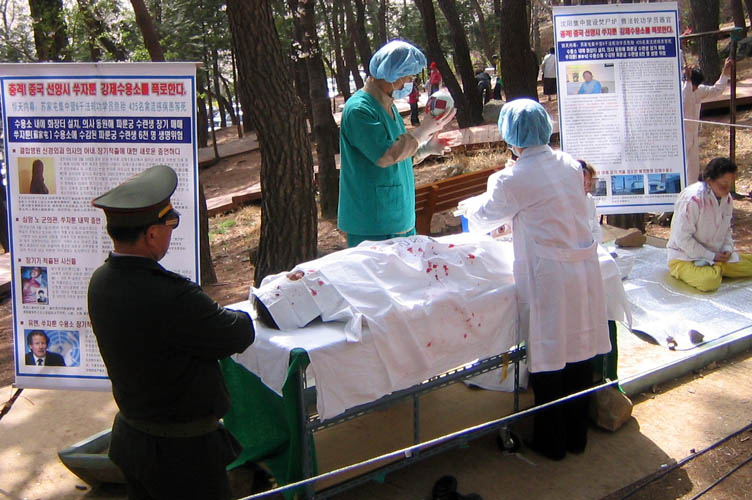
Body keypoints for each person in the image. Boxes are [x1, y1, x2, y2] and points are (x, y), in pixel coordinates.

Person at [87, 165, 255, 500]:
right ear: (151, 234)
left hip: (134, 440)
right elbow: (237, 334)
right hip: (183, 454)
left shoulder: (101, 281)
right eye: (169, 225)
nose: (170, 233)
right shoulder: (170, 295)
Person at [459, 99, 610, 461]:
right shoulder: (569, 164)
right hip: (582, 268)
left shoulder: (513, 177)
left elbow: (485, 217)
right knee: (579, 352)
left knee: (549, 356)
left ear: (510, 137)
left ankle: (551, 442)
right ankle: (576, 437)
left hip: (550, 275)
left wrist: (466, 206)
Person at [338, 40, 456, 248]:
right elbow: (385, 155)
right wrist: (422, 131)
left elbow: (400, 155)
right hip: (373, 223)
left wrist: (427, 148)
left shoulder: (388, 106)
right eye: (409, 77)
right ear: (392, 74)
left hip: (398, 217)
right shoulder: (359, 110)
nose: (410, 83)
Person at [667, 157, 752, 292]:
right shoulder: (693, 199)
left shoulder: (726, 199)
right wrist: (711, 256)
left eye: (730, 183)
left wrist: (727, 249)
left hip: (716, 256)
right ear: (709, 180)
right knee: (709, 282)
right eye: (724, 183)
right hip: (685, 257)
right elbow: (682, 239)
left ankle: (715, 267)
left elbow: (726, 229)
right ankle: (715, 269)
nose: (727, 188)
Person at [682, 58, 732, 185]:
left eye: (696, 85)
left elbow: (716, 90)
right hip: (681, 137)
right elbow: (685, 98)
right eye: (693, 84)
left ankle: (691, 192)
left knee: (693, 170)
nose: (694, 88)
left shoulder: (699, 90)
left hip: (693, 135)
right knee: (682, 168)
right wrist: (688, 80)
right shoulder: (681, 91)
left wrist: (725, 73)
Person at [578, 160, 602, 245]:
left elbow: (596, 229)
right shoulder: (564, 202)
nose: (587, 189)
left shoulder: (589, 199)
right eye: (584, 184)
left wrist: (595, 247)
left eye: (589, 184)